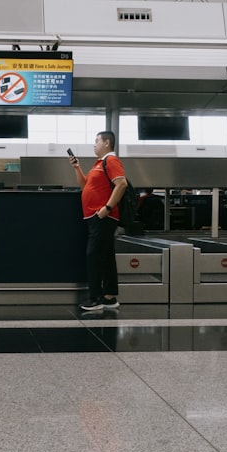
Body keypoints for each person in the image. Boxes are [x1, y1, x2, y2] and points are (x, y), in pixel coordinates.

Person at [71, 130, 128, 315]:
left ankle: (95, 298)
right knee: (106, 256)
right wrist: (77, 167)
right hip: (96, 217)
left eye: (97, 141)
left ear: (107, 143)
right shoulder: (99, 164)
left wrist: (107, 208)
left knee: (93, 255)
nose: (94, 144)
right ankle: (109, 296)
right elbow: (85, 186)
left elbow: (122, 184)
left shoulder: (111, 160)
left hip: (102, 217)